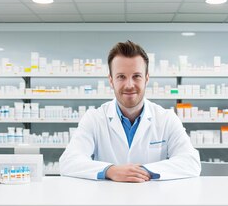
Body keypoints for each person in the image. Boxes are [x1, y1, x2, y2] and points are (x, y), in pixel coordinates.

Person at [59, 40, 201, 182]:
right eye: (121, 77)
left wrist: (141, 172)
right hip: (107, 199)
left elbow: (191, 162)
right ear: (111, 80)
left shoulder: (167, 119)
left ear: (146, 78)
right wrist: (110, 171)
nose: (129, 85)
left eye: (136, 76)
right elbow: (68, 161)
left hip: (153, 200)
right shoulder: (94, 118)